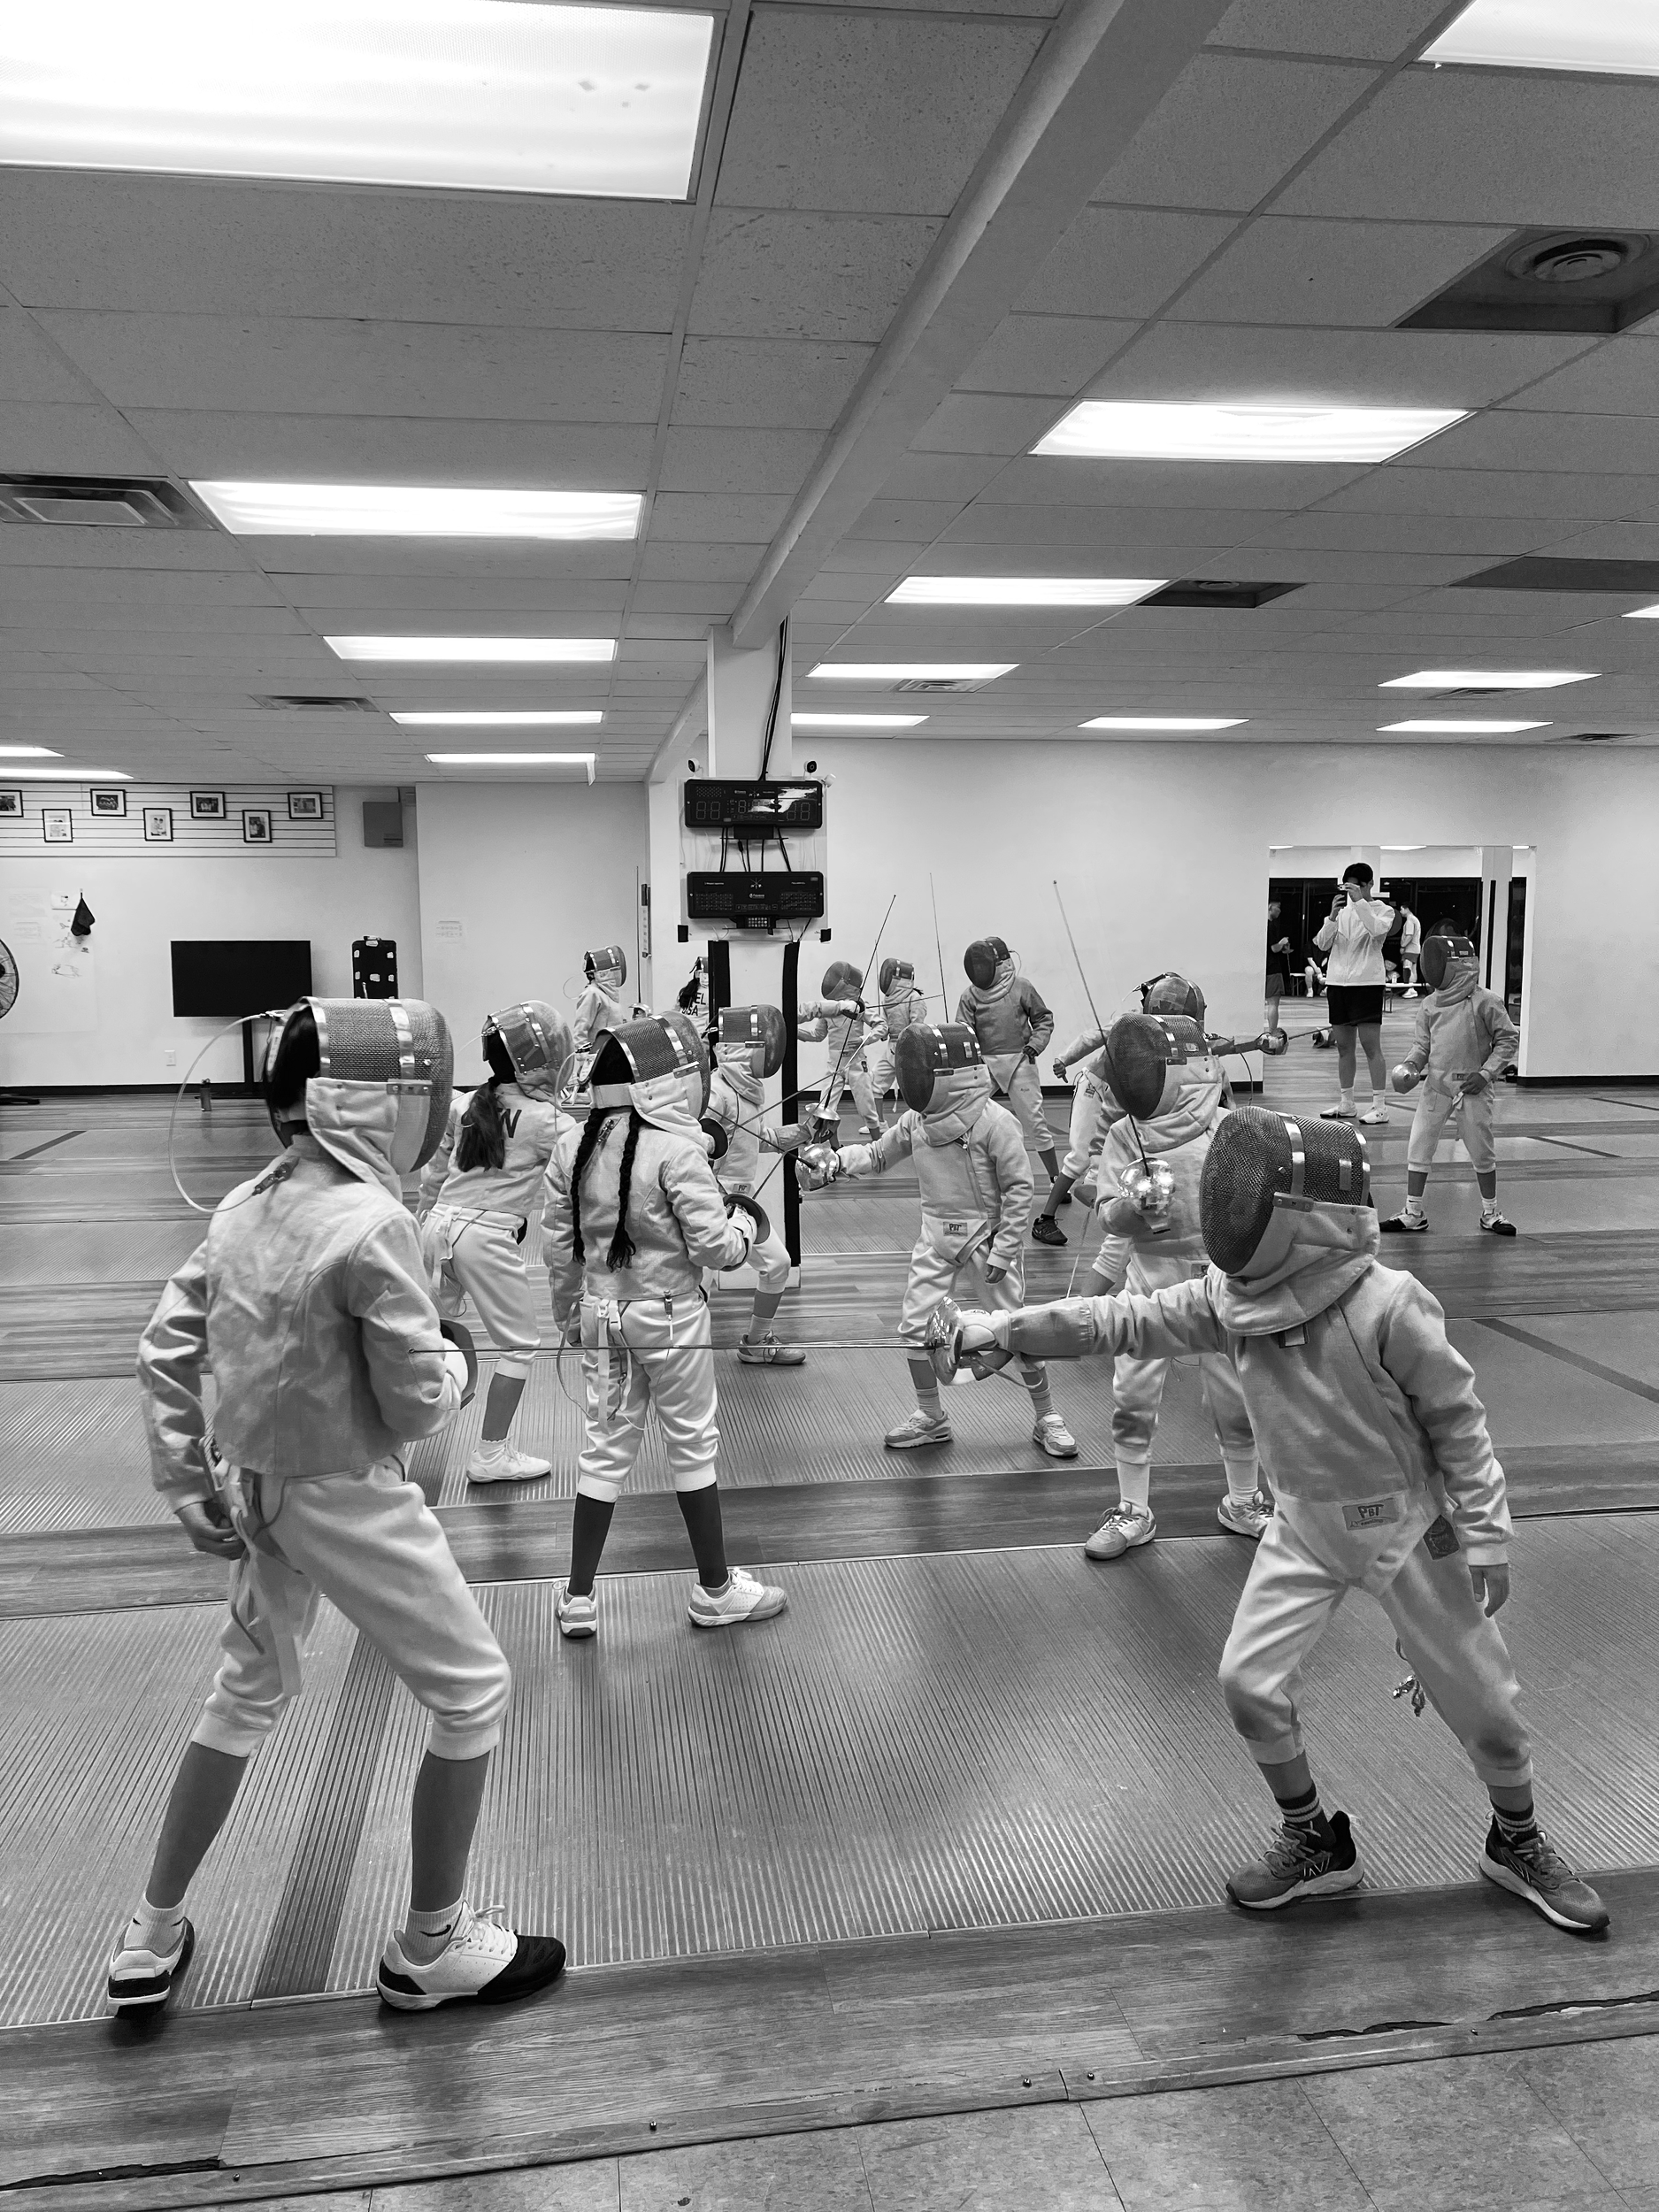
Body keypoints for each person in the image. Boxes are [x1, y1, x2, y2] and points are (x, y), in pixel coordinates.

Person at [943, 1106, 1608, 1933]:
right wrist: (1009, 1328)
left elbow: (1458, 1419)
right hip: (1299, 1523)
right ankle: (1313, 1843)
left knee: (1488, 1709)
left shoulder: (1390, 1304)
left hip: (1403, 1526)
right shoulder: (1231, 1298)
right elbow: (1122, 1318)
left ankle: (1516, 1839)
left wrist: (1484, 1532)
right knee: (1246, 1683)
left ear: (1293, 1217)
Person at [116, 998, 566, 2016]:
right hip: (345, 1497)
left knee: (244, 1695)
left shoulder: (242, 1206)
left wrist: (191, 1485)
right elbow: (411, 1396)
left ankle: (149, 1934)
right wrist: (453, 1364)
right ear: (380, 1103)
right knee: (474, 1692)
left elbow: (163, 1351)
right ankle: (430, 1947)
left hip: (255, 1487)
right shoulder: (373, 1223)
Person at [541, 1013, 787, 1640]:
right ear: (667, 1084)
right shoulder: (673, 1149)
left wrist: (568, 1315)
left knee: (604, 1451)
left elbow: (559, 1247)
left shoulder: (572, 1146)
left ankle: (577, 1599)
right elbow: (717, 1252)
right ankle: (714, 1591)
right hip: (670, 1317)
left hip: (601, 1314)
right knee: (692, 1445)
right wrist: (744, 1226)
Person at [799, 1024, 1077, 1460]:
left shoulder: (994, 1122)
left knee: (1016, 1329)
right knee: (913, 1329)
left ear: (946, 1073)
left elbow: (1021, 1189)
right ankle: (931, 1416)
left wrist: (1004, 1250)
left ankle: (1047, 1416)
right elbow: (877, 1154)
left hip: (986, 1238)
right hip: (935, 1235)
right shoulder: (918, 1120)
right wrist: (837, 1161)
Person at [1066, 1010, 1270, 1558]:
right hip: (1149, 1283)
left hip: (1219, 1280)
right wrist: (1132, 1211)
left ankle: (1244, 1500)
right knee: (1132, 1396)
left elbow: (1261, 1209)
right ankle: (1133, 1510)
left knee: (1235, 1395)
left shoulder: (1232, 1128)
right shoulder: (1122, 1135)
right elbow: (1109, 1214)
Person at [418, 1002, 573, 1483]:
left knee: (417, 1340)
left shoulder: (464, 1104)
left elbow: (433, 1178)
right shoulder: (549, 1121)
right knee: (520, 1346)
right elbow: (591, 1169)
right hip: (481, 1237)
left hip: (433, 1228)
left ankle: (379, 1449)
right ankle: (490, 1455)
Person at [1382, 933, 1519, 1237]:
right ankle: (1413, 1212)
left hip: (1473, 1088)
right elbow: (1422, 1046)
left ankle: (1491, 1212)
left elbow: (1508, 1039)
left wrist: (1485, 1074)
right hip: (1436, 1086)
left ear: (1457, 965)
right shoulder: (1430, 1005)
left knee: (1482, 1151)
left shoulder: (1487, 1001)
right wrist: (1411, 1065)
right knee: (1419, 1145)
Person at [703, 1002, 808, 1364]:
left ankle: (756, 1341)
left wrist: (803, 1133)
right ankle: (678, 1361)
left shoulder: (743, 1090)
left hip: (741, 1207)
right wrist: (713, 1203)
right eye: (766, 1043)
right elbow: (694, 1152)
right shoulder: (716, 1093)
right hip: (708, 1206)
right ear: (746, 1049)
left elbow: (750, 1138)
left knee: (778, 1263)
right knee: (694, 1290)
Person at [956, 937, 1060, 1185]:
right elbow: (963, 1031)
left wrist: (1035, 1044)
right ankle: (968, 1176)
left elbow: (1043, 1020)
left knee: (1034, 1122)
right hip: (985, 1065)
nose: (979, 970)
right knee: (965, 1114)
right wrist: (969, 1056)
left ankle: (1056, 1177)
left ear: (999, 963)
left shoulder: (1021, 987)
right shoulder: (969, 996)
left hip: (1020, 1061)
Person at [1313, 864, 1393, 1124]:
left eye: (1356, 886)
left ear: (1369, 884)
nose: (1351, 892)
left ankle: (1380, 1105)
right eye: (1347, 886)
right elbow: (1322, 944)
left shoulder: (1383, 910)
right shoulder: (1342, 913)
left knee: (1372, 1048)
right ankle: (1347, 1102)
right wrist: (1332, 918)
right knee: (1344, 1048)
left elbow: (1377, 931)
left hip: (1367, 985)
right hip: (1338, 985)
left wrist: (1360, 902)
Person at [1031, 1017, 1116, 1246]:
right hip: (1096, 1088)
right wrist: (1065, 1059)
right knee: (1080, 1157)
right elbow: (1095, 1036)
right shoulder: (1134, 1019)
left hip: (1127, 1094)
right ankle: (1044, 1220)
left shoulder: (1178, 1032)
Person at [802, 959, 879, 1142]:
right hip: (834, 1064)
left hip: (856, 1062)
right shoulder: (829, 1010)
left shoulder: (860, 1005)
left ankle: (879, 1147)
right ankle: (836, 1149)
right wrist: (792, 1029)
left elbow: (881, 1026)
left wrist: (863, 1040)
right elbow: (817, 1035)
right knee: (826, 1108)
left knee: (867, 1108)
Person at [864, 956, 929, 1125]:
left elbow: (917, 1025)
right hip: (892, 1048)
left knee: (914, 1089)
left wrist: (908, 1044)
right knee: (875, 1084)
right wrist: (881, 1033)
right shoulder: (888, 1000)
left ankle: (920, 1124)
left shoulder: (914, 998)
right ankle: (879, 1123)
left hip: (909, 1049)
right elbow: (885, 1024)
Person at [572, 945, 639, 1076]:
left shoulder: (607, 995)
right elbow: (580, 1031)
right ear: (602, 973)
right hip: (598, 1062)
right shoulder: (592, 994)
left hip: (613, 1057)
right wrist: (586, 1064)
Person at [1265, 903, 1293, 1036]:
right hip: (1273, 969)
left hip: (1266, 968)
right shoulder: (1270, 926)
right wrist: (1282, 942)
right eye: (1278, 907)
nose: (1280, 910)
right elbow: (1274, 948)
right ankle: (1272, 1032)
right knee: (1273, 1003)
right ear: (1270, 907)